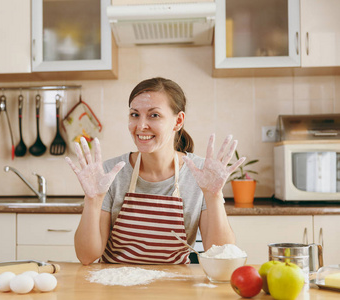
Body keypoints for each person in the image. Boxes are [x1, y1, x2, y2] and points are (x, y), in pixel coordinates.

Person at [65, 77, 246, 265]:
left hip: (174, 287)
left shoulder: (201, 174)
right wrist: (93, 201)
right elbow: (86, 256)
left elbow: (221, 254)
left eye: (154, 115)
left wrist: (213, 196)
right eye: (135, 114)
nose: (141, 126)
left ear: (178, 121)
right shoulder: (110, 174)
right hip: (115, 285)